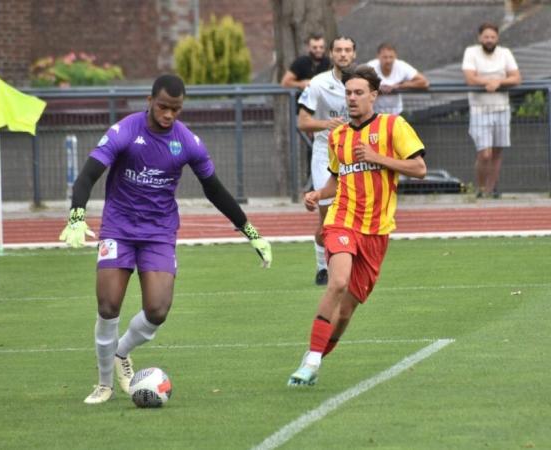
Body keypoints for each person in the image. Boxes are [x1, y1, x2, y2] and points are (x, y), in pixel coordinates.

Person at [58, 74, 272, 404]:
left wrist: (251, 231)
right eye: (163, 107)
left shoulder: (187, 142)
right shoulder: (125, 131)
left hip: (158, 232)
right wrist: (77, 215)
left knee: (157, 310)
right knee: (108, 304)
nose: (169, 115)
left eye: (176, 109)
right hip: (119, 228)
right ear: (149, 101)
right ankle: (104, 384)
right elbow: (88, 175)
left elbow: (214, 189)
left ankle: (121, 353)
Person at [288, 65, 427, 386]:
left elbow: (419, 168)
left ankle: (315, 357)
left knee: (347, 312)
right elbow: (337, 180)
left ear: (374, 96)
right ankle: (309, 361)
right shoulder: (338, 136)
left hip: (377, 231)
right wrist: (316, 194)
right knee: (337, 282)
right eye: (348, 93)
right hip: (342, 220)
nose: (351, 98)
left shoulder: (394, 126)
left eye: (358, 93)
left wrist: (380, 158)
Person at [297, 35, 356, 286]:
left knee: (353, 213)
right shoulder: (319, 84)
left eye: (348, 50)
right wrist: (326, 124)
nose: (343, 54)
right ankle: (322, 266)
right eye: (338, 50)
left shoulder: (364, 81)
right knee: (328, 213)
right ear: (331, 54)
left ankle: (350, 263)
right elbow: (302, 122)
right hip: (325, 151)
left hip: (354, 152)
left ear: (354, 54)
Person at [462, 22, 521, 198]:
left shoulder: (505, 53)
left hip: (502, 108)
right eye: (486, 37)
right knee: (484, 154)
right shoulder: (471, 52)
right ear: (480, 38)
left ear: (497, 38)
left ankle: (491, 189)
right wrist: (488, 82)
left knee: (497, 152)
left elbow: (517, 77)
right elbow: (470, 78)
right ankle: (480, 188)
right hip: (479, 109)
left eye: (492, 37)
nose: (489, 40)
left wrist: (499, 82)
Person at [367, 42, 429, 114]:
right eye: (385, 57)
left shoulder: (401, 66)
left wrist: (399, 86)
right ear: (378, 56)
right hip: (374, 113)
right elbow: (357, 85)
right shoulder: (370, 67)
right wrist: (377, 89)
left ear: (395, 56)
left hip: (396, 113)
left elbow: (424, 82)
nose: (388, 61)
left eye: (391, 57)